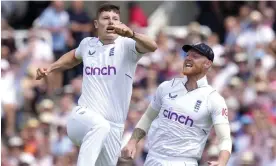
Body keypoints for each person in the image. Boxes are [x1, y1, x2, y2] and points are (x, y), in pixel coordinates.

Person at [35, 3, 157, 166]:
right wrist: (51, 68)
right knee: (100, 126)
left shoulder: (127, 45)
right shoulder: (88, 44)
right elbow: (73, 57)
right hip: (82, 118)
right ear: (96, 24)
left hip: (115, 128)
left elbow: (152, 46)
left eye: (115, 19)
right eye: (106, 18)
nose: (111, 22)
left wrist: (132, 33)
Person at [122, 43, 232, 166]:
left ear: (207, 64)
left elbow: (225, 138)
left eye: (195, 56)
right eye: (187, 55)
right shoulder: (166, 86)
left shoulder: (214, 99)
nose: (188, 58)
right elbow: (148, 117)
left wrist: (222, 162)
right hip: (153, 158)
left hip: (183, 162)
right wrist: (132, 141)